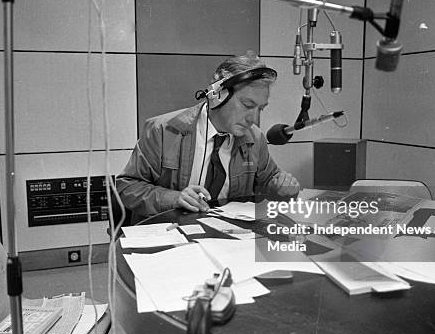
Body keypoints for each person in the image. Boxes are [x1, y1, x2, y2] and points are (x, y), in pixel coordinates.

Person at [116, 51, 300, 223]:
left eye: (260, 108)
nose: (254, 118)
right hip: (171, 240)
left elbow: (269, 183)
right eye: (247, 105)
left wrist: (283, 188)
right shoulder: (163, 130)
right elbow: (127, 187)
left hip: (227, 242)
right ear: (218, 94)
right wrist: (174, 198)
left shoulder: (255, 139)